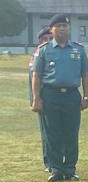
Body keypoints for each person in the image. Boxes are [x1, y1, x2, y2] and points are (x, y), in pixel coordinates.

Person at [31, 14, 88, 181]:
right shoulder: (44, 50)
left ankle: (70, 169)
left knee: (71, 133)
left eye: (65, 26)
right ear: (52, 30)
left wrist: (86, 96)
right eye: (58, 26)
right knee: (53, 133)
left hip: (72, 96)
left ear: (69, 28)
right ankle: (56, 169)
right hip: (50, 95)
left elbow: (85, 75)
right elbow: (37, 75)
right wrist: (36, 98)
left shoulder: (78, 50)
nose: (62, 29)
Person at [29, 27, 52, 171]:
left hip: (57, 97)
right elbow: (33, 80)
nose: (49, 41)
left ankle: (58, 160)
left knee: (60, 132)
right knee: (47, 132)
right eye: (46, 39)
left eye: (51, 38)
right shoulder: (38, 54)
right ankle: (49, 162)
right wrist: (35, 99)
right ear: (41, 40)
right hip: (43, 98)